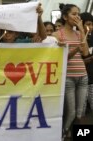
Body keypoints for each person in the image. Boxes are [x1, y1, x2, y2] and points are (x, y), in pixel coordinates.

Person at [52, 3, 89, 139]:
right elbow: (60, 58)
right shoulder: (57, 35)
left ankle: (76, 134)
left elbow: (85, 53)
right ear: (65, 17)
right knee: (71, 112)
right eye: (74, 14)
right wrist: (75, 50)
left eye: (78, 14)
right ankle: (63, 134)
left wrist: (81, 29)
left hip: (83, 76)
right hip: (68, 77)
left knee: (80, 113)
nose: (77, 17)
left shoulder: (79, 33)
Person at [80, 12, 93, 113]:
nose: (91, 27)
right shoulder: (77, 39)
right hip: (80, 80)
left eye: (92, 24)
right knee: (81, 109)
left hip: (92, 80)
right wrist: (83, 61)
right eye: (88, 24)